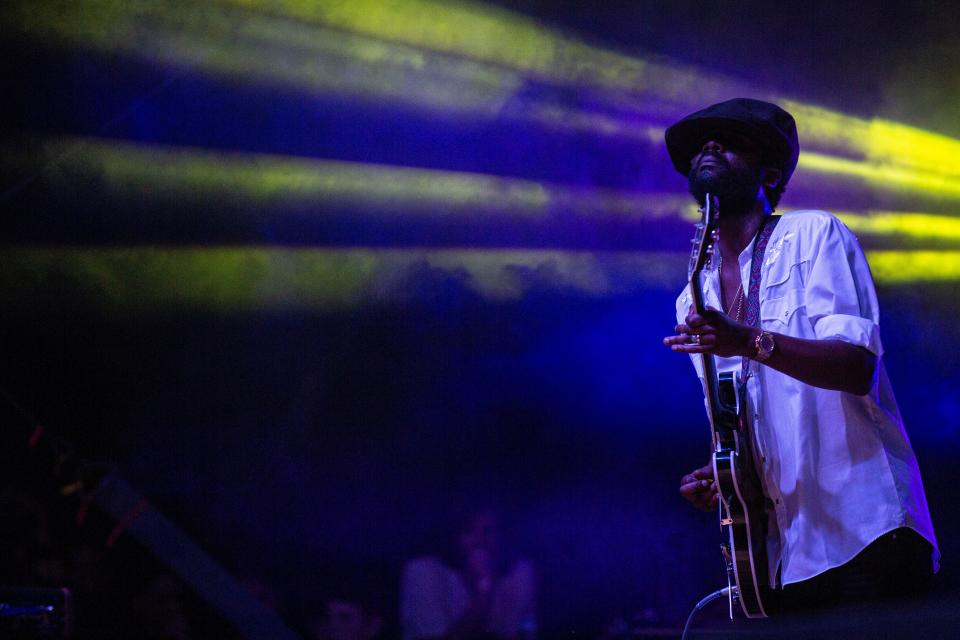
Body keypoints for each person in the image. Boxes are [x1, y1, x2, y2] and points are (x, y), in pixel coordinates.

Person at [660, 98, 939, 612]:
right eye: (702, 143)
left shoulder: (814, 234)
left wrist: (747, 340)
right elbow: (747, 420)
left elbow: (857, 366)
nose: (711, 146)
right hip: (785, 559)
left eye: (731, 139)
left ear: (771, 173)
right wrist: (724, 475)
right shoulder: (693, 296)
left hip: (869, 532)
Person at [400, 507, 536, 640]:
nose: (480, 541)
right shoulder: (423, 572)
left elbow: (525, 629)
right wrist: (483, 589)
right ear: (453, 536)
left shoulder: (519, 572)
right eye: (469, 531)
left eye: (489, 531)